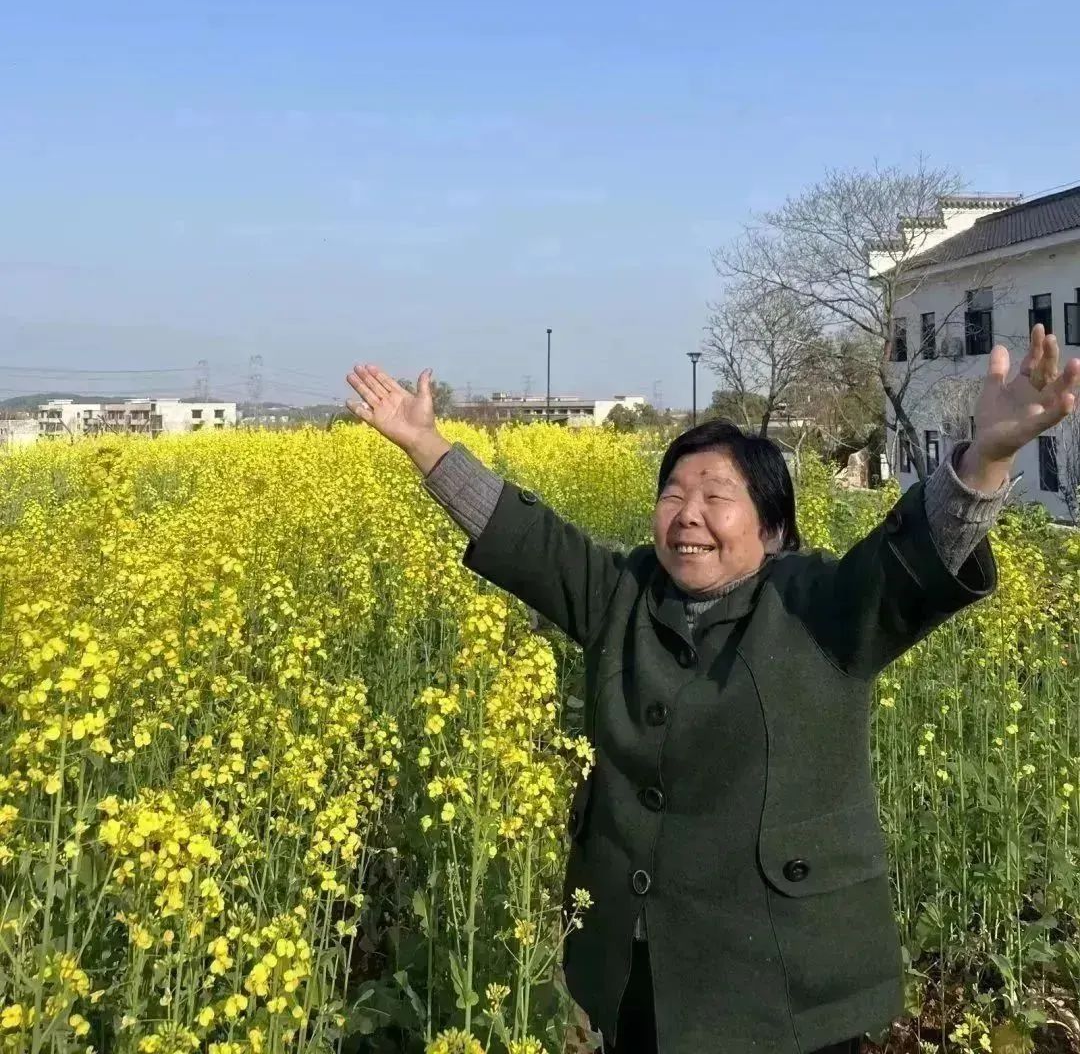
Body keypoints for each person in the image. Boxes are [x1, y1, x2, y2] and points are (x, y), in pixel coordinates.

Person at [346, 327, 1079, 1054]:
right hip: (639, 972)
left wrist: (987, 457)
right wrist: (426, 446)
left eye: (715, 496)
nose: (687, 514)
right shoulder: (621, 594)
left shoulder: (818, 606)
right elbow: (528, 541)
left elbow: (912, 555)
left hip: (784, 986)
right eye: (672, 495)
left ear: (773, 527)